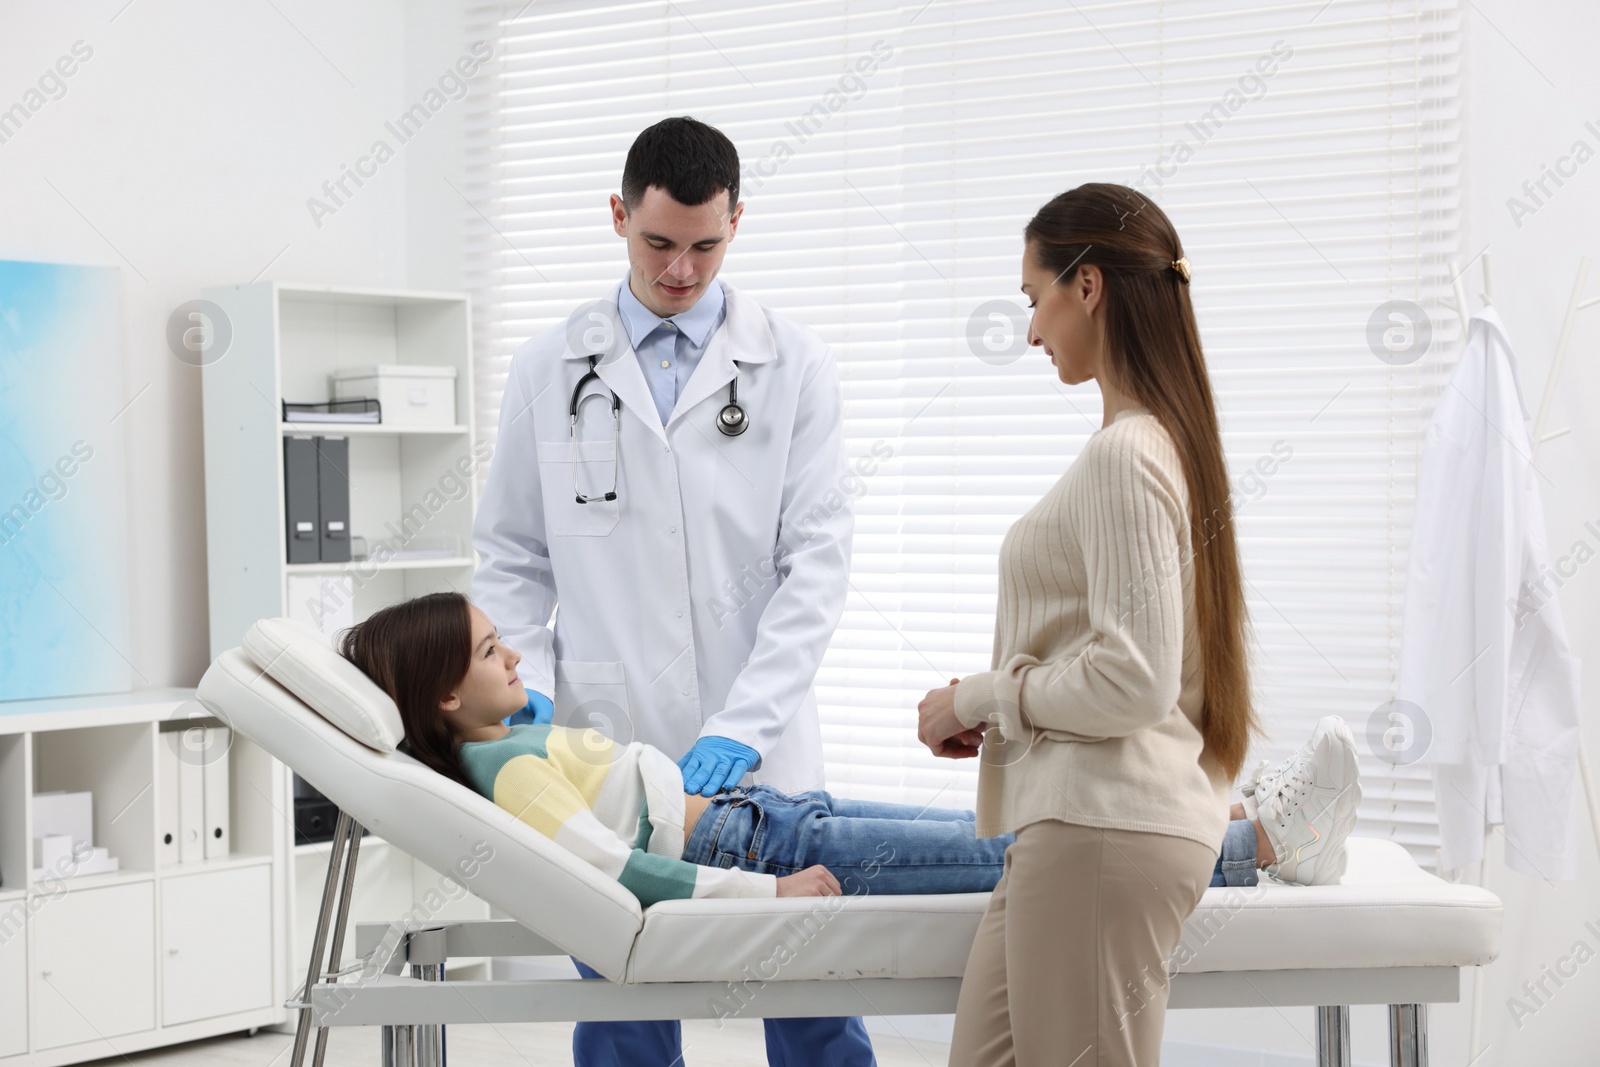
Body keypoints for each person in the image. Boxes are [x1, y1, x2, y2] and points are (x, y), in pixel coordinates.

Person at [913, 183, 1363, 1065]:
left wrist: (980, 694)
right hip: (1071, 829)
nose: (1032, 330)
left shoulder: (1126, 453)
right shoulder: (1158, 443)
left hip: (1101, 832)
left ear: (1088, 287)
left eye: (1034, 298)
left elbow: (1133, 679)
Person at [469, 116, 868, 1065]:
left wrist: (748, 720)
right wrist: (523, 692)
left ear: (737, 221)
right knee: (622, 987)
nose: (681, 270)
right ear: (617, 215)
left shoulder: (794, 364)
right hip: (606, 729)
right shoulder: (548, 365)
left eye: (705, 245)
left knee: (809, 983)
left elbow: (817, 558)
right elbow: (513, 552)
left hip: (759, 736)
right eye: (658, 243)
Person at [337, 593, 1363, 908]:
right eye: (488, 647)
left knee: (1006, 831)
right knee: (1016, 852)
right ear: (440, 692)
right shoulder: (503, 765)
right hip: (757, 852)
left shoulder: (504, 741)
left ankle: (1227, 822)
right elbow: (608, 869)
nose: (512, 647)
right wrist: (764, 899)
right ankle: (1264, 844)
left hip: (766, 818)